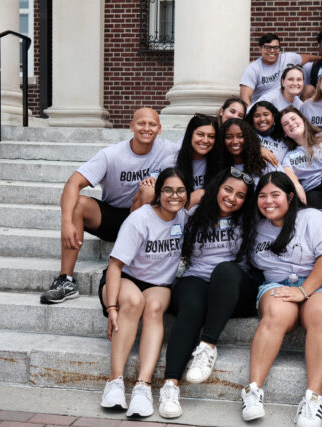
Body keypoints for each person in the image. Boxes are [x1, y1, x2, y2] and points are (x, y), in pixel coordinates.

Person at [39, 108, 179, 305]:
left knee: (149, 191)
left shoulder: (168, 150)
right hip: (113, 217)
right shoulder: (111, 155)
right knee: (78, 204)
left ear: (159, 129)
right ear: (131, 126)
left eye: (152, 124)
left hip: (144, 218)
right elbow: (73, 183)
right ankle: (65, 280)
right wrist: (66, 223)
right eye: (141, 123)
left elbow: (198, 142)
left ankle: (136, 267)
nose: (146, 128)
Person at [241, 172, 322, 427]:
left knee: (320, 315)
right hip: (277, 285)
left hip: (320, 284)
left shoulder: (311, 218)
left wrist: (303, 291)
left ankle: (312, 399)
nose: (268, 201)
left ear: (289, 196)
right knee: (275, 315)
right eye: (262, 196)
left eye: (275, 195)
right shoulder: (255, 225)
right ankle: (252, 392)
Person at [159, 168, 258, 419]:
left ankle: (207, 346)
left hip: (235, 288)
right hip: (197, 279)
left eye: (240, 195)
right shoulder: (193, 215)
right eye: (228, 189)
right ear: (216, 188)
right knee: (192, 304)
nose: (232, 198)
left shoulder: (251, 220)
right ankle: (170, 386)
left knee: (225, 270)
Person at [99, 168, 190, 418]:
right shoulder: (139, 219)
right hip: (124, 279)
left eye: (181, 190)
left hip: (158, 285)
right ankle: (115, 381)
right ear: (158, 193)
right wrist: (111, 308)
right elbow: (115, 266)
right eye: (168, 190)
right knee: (132, 301)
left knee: (154, 307)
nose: (175, 196)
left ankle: (143, 385)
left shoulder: (184, 217)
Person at [217, 118, 306, 201]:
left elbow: (285, 189)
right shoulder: (219, 166)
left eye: (240, 136)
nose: (235, 141)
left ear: (248, 138)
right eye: (229, 137)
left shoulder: (266, 162)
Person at [240, 33, 315, 106]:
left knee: (309, 89)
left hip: (286, 101)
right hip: (265, 107)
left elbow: (310, 58)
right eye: (267, 47)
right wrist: (250, 115)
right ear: (260, 49)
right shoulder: (253, 69)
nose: (272, 51)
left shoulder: (287, 58)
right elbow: (245, 98)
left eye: (276, 48)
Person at [174, 114, 220, 206]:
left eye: (211, 136)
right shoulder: (172, 162)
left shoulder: (219, 162)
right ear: (190, 134)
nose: (205, 140)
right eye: (200, 134)